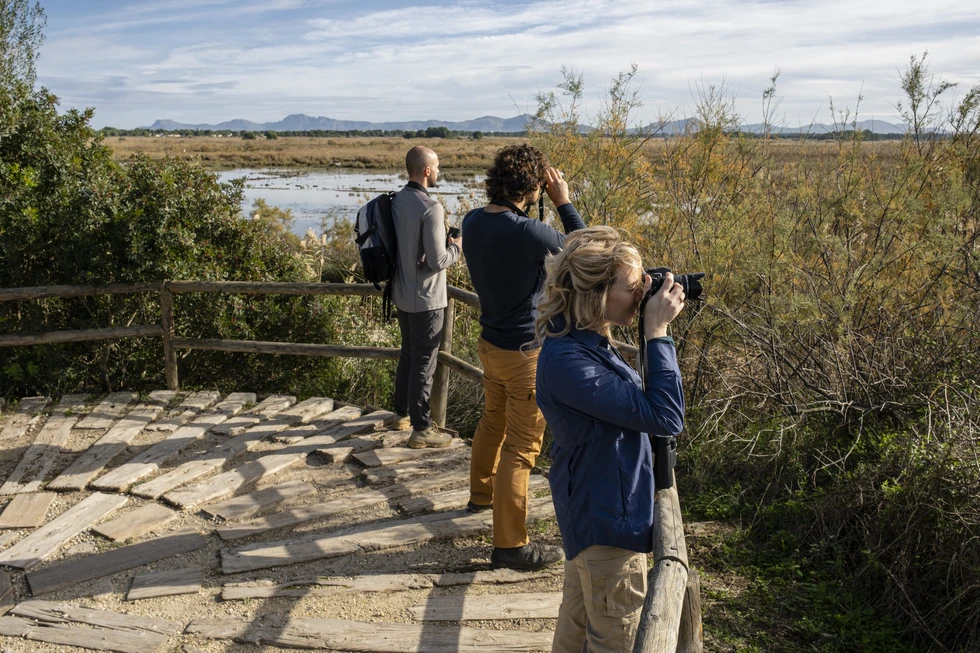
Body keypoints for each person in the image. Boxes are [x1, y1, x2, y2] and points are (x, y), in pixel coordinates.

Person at [533, 226, 687, 652]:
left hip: (594, 513)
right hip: (607, 525)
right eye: (633, 288)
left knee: (577, 629)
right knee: (613, 639)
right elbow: (666, 416)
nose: (642, 296)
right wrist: (657, 331)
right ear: (595, 293)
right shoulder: (569, 362)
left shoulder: (582, 336)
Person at [462, 143, 586, 570]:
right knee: (521, 447)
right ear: (533, 185)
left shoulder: (473, 220)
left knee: (492, 420)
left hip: (490, 344)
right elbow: (587, 250)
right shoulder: (528, 233)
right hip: (523, 354)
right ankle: (511, 545)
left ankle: (481, 494)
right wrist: (563, 201)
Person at [389, 145, 462, 448]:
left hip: (402, 294)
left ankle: (400, 414)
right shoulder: (431, 208)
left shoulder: (396, 201)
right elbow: (437, 261)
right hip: (428, 299)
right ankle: (421, 430)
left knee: (408, 354)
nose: (439, 172)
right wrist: (457, 245)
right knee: (425, 361)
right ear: (427, 171)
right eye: (438, 167)